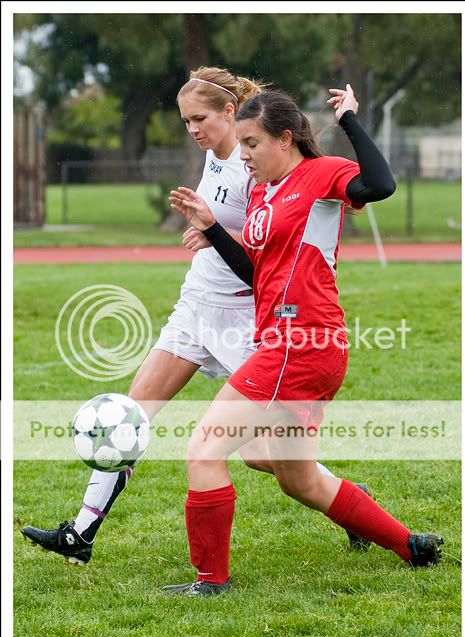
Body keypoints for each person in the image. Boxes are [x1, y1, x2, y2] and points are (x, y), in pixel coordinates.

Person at [21, 68, 371, 566]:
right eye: (185, 120)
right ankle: (81, 532)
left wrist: (213, 233)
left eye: (200, 118)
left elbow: (262, 267)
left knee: (262, 456)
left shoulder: (258, 171)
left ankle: (350, 508)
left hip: (242, 317)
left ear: (231, 113)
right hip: (195, 307)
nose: (192, 130)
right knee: (131, 416)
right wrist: (205, 233)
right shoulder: (213, 154)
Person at [163, 85, 444, 597]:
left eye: (251, 144)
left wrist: (351, 122)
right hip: (297, 347)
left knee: (205, 450)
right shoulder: (266, 193)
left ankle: (211, 582)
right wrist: (212, 229)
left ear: (285, 138)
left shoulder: (320, 173)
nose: (242, 155)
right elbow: (256, 270)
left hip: (300, 343)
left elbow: (380, 185)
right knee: (299, 479)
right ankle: (413, 546)